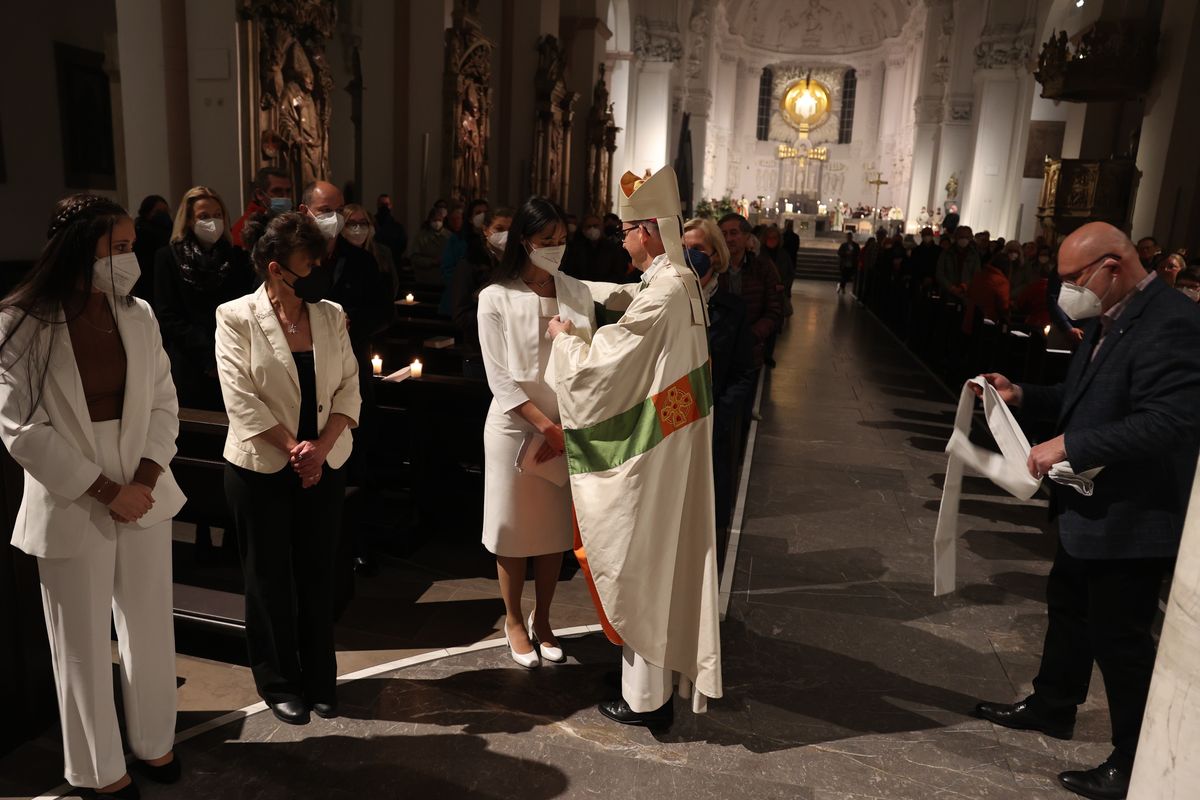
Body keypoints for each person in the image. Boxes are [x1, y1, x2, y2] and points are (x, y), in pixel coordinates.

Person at [973, 222, 1200, 799]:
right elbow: (1084, 402)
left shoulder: (1172, 321)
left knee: (1120, 639)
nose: (1068, 289)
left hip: (1134, 513)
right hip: (1090, 504)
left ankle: (1136, 758)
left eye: (1075, 278)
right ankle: (1053, 704)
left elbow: (1169, 422)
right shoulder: (1111, 317)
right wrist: (1021, 394)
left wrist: (1070, 446)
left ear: (1113, 267)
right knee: (1069, 606)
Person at [0, 194, 187, 798]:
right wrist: (106, 490)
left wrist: (145, 481)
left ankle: (155, 741)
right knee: (79, 639)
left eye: (132, 247)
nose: (129, 259)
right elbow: (19, 427)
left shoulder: (138, 314)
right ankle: (98, 769)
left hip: (142, 478)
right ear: (80, 249)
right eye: (119, 248)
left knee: (151, 624)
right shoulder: (23, 320)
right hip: (72, 490)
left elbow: (163, 400)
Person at [547, 166, 722, 730]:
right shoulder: (678, 279)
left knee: (639, 555)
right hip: (676, 430)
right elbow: (631, 307)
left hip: (655, 445)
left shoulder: (669, 286)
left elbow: (611, 362)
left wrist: (567, 342)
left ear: (648, 230)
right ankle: (644, 680)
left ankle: (646, 699)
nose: (620, 238)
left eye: (625, 229)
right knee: (660, 557)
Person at [215, 211, 361, 726]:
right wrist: (294, 447)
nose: (319, 271)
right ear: (277, 268)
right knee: (268, 577)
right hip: (260, 466)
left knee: (319, 574)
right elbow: (241, 399)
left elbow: (349, 385)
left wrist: (320, 447)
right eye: (308, 264)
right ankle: (278, 680)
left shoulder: (329, 314)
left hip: (326, 459)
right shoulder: (235, 317)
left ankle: (321, 677)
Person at [476, 197, 596, 669]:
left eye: (562, 242)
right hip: (514, 427)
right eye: (547, 243)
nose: (557, 250)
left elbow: (590, 359)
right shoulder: (496, 296)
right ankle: (512, 620)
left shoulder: (576, 291)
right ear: (524, 241)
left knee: (551, 531)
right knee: (512, 530)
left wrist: (566, 427)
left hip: (566, 426)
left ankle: (544, 618)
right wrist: (545, 428)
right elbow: (499, 377)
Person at [154, 186, 255, 410]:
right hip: (189, 360)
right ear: (189, 220)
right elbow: (167, 314)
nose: (212, 221)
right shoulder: (168, 258)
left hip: (232, 357)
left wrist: (225, 353)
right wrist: (207, 354)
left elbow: (246, 308)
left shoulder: (236, 258)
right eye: (204, 216)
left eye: (218, 215)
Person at [685, 217, 754, 531]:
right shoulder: (661, 303)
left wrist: (718, 418)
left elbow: (743, 372)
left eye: (698, 249)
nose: (690, 257)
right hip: (668, 425)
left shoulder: (732, 309)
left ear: (715, 254)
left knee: (707, 518)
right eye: (683, 249)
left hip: (712, 426)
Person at [451, 207, 513, 378]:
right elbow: (460, 316)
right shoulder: (470, 264)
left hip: (512, 356)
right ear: (486, 230)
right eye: (499, 229)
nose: (506, 235)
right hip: (479, 355)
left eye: (511, 230)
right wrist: (498, 313)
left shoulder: (519, 264)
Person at [718, 213, 783, 368]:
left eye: (734, 233)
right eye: (723, 234)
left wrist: (752, 335)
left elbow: (774, 309)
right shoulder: (713, 268)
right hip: (716, 349)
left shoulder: (762, 268)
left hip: (750, 351)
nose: (728, 239)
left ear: (747, 236)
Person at [440, 198, 490, 314]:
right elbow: (447, 270)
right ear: (470, 218)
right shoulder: (457, 240)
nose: (482, 216)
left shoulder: (492, 241)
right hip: (459, 300)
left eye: (485, 213)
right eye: (478, 213)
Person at [342, 202, 399, 299]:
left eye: (363, 223)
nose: (358, 228)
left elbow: (393, 285)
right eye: (352, 223)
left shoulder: (382, 252)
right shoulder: (337, 254)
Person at [562, 213, 635, 283]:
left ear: (602, 227)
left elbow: (618, 272)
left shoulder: (612, 248)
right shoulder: (575, 249)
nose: (592, 229)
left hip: (606, 289)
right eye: (589, 226)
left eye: (595, 226)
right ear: (583, 229)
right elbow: (571, 271)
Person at [232, 166, 293, 247]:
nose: (285, 196)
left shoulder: (291, 221)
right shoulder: (244, 229)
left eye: (288, 191)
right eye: (277, 191)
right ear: (260, 194)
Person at [132, 194, 171, 302]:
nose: (163, 215)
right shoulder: (140, 233)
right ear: (147, 213)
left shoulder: (169, 231)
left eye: (166, 211)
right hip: (147, 284)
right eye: (158, 211)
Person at [962, 251, 1011, 335]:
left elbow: (968, 293)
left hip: (970, 319)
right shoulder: (1002, 281)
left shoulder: (979, 275)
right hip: (988, 323)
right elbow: (1003, 306)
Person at [936, 225, 980, 298]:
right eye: (961, 237)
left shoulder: (974, 255)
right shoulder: (946, 253)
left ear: (970, 238)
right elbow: (940, 273)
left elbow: (977, 275)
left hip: (967, 294)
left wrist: (964, 287)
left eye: (966, 237)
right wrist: (951, 288)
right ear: (955, 237)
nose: (964, 239)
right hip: (947, 293)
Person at [410, 206, 450, 284]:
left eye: (439, 220)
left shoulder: (449, 236)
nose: (437, 223)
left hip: (444, 279)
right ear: (430, 220)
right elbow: (415, 258)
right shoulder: (421, 237)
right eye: (434, 220)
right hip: (425, 279)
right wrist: (432, 262)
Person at [372, 193, 407, 258]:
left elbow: (402, 245)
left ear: (390, 206)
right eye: (382, 205)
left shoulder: (397, 228)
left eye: (386, 204)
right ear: (378, 205)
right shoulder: (372, 224)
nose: (384, 207)